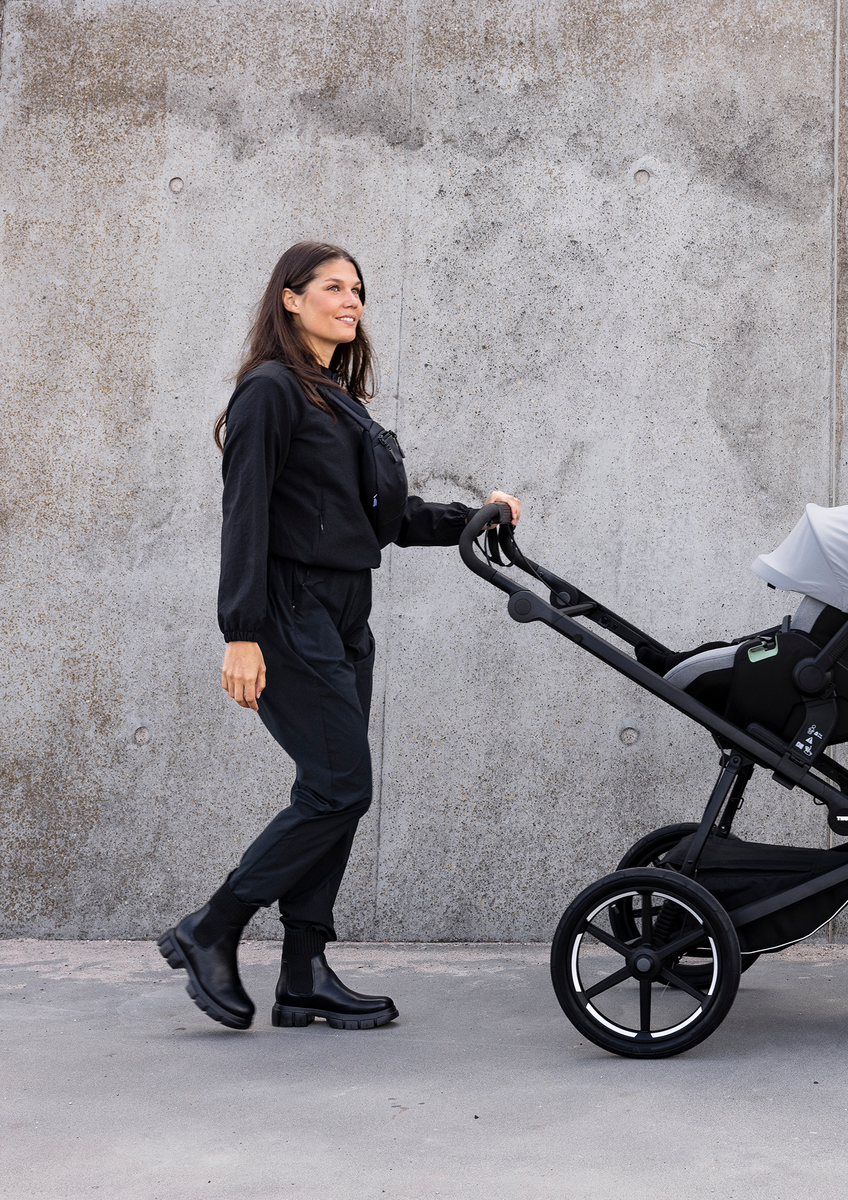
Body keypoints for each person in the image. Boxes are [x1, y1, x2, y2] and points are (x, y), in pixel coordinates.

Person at [158, 241, 521, 1031]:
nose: (352, 299)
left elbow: (381, 519)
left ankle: (304, 974)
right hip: (289, 608)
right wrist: (241, 632)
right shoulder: (270, 390)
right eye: (333, 287)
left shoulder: (336, 399)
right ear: (290, 299)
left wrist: (474, 520)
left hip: (345, 611)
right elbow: (244, 512)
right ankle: (211, 927)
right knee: (340, 788)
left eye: (358, 289)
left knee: (331, 793)